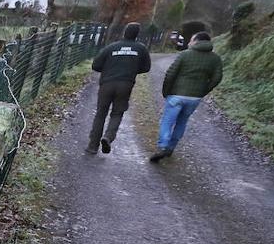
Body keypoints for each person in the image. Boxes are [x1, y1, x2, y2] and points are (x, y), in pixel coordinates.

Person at [151, 31, 223, 162]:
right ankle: (171, 148)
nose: (189, 42)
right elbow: (217, 77)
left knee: (167, 121)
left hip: (176, 95)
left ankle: (163, 146)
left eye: (191, 40)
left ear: (196, 41)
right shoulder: (215, 58)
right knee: (182, 122)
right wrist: (203, 90)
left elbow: (170, 73)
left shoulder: (184, 55)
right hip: (194, 98)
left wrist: (166, 91)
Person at [87, 22, 151, 154]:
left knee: (100, 114)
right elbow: (146, 67)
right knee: (117, 113)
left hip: (107, 84)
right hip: (126, 85)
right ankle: (108, 137)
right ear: (137, 35)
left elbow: (96, 65)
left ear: (124, 32)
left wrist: (109, 69)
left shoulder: (111, 47)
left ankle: (92, 146)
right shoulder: (141, 49)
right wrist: (131, 70)